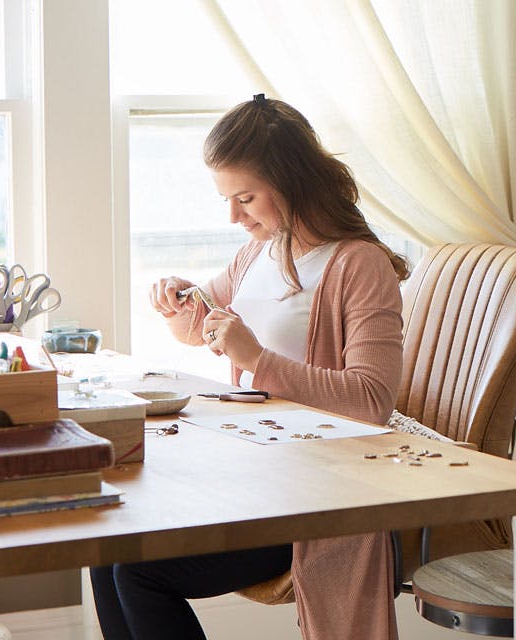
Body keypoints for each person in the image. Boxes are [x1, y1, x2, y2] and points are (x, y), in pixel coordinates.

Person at [90, 94, 410, 640]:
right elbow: (203, 324)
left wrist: (256, 360)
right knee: (107, 547)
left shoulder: (359, 265)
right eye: (227, 199)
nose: (233, 217)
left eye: (246, 198)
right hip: (253, 474)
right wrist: (180, 299)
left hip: (317, 500)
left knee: (138, 571)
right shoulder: (259, 252)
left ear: (293, 183)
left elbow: (370, 399)